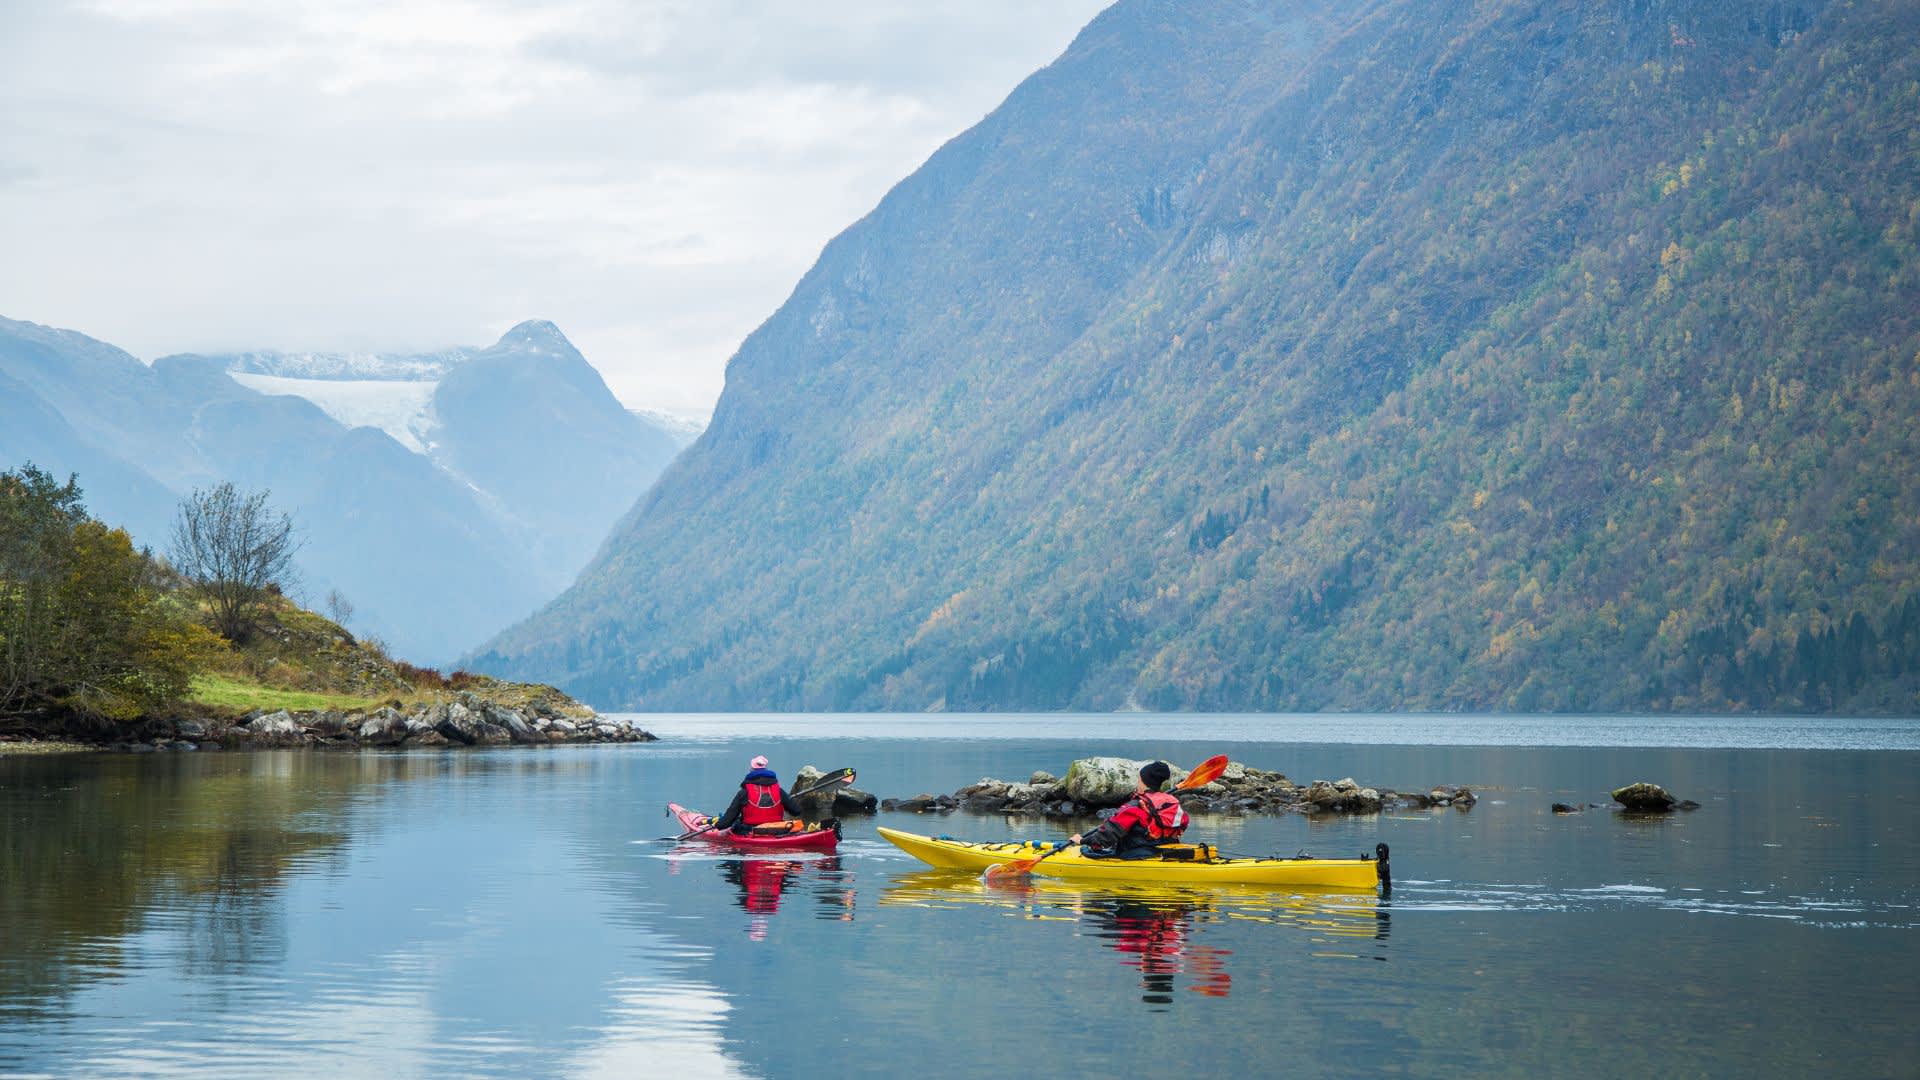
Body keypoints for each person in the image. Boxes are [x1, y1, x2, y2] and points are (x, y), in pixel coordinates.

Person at [1069, 761, 1190, 856]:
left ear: (1142, 781)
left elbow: (1107, 836)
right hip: (1164, 852)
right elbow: (1184, 822)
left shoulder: (1134, 807)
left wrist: (1082, 841)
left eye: (1139, 779)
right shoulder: (1171, 803)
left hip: (1135, 855)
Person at [709, 755, 805, 834]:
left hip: (749, 831)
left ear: (751, 771)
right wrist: (786, 801)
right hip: (777, 830)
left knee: (734, 825)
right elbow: (796, 811)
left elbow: (728, 819)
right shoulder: (779, 791)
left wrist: (718, 825)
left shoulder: (744, 792)